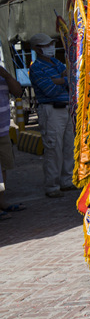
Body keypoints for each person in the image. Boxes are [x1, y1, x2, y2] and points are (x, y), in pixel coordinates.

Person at [27, 33, 74, 198]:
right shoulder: (36, 68)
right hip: (50, 110)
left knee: (69, 146)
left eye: (50, 44)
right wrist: (63, 80)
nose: (50, 47)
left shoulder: (57, 63)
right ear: (38, 49)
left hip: (65, 108)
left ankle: (66, 181)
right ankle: (52, 186)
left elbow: (71, 80)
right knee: (54, 149)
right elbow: (50, 90)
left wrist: (60, 80)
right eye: (46, 45)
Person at [0, 62, 23, 213]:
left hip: (3, 131)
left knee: (3, 167)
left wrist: (6, 75)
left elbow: (18, 92)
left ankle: (1, 201)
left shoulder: (4, 77)